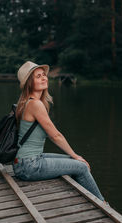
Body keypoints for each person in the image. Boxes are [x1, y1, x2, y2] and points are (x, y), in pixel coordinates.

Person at [13, 61, 105, 202]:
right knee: (81, 166)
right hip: (29, 166)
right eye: (38, 76)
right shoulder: (35, 104)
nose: (44, 78)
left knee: (73, 162)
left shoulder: (26, 102)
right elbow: (55, 136)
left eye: (44, 75)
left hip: (25, 162)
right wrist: (76, 155)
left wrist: (74, 157)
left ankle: (95, 201)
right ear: (29, 83)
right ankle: (103, 204)